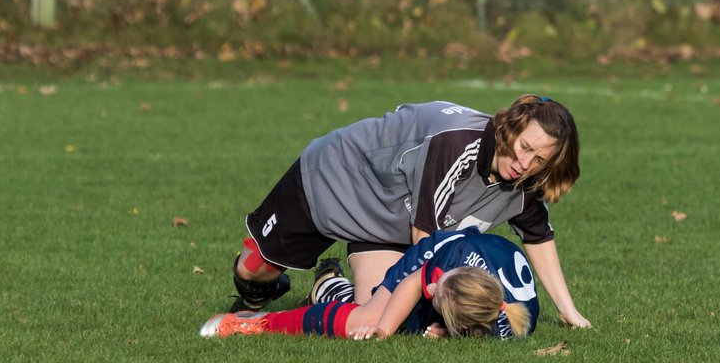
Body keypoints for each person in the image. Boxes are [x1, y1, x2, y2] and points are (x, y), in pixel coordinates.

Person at [228, 93, 591, 328]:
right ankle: (256, 294)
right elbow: (427, 242)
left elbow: (539, 238)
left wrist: (568, 311)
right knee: (255, 268)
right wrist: (443, 310)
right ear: (510, 126)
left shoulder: (526, 181)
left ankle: (329, 286)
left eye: (539, 159)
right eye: (523, 146)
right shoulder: (457, 143)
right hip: (337, 179)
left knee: (382, 314)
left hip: (391, 224)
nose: (524, 162)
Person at [201, 228, 537, 341]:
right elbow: (417, 284)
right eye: (438, 287)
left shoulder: (506, 326)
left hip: (461, 281)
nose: (432, 291)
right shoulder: (447, 268)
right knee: (367, 321)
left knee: (412, 326)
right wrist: (384, 328)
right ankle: (255, 324)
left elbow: (457, 307)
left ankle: (329, 287)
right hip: (431, 256)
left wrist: (448, 331)